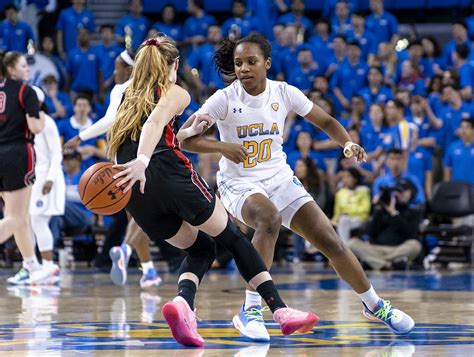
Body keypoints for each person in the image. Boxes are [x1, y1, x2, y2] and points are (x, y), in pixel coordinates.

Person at [179, 33, 415, 341]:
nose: (244, 69)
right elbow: (185, 137)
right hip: (238, 182)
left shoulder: (284, 92)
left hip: (279, 177)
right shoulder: (224, 98)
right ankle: (250, 310)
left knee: (332, 243)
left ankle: (374, 304)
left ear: (267, 63)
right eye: (238, 64)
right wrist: (222, 147)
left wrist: (347, 143)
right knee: (268, 219)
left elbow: (327, 122)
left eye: (251, 62)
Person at [107, 35, 318, 347]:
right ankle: (280, 310)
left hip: (137, 193)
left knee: (201, 248)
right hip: (166, 175)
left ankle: (183, 304)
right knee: (232, 238)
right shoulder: (174, 91)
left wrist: (187, 133)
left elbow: (143, 136)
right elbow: (154, 125)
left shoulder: (127, 100)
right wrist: (142, 160)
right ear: (175, 64)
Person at [65, 49, 165, 289]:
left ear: (130, 69)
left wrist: (81, 137)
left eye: (118, 66)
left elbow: (109, 121)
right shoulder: (153, 87)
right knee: (142, 217)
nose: (114, 71)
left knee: (136, 215)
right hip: (145, 155)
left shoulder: (123, 89)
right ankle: (126, 249)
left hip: (125, 155)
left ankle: (148, 269)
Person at [0, 51, 56, 285]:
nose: (27, 69)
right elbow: (35, 127)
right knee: (14, 217)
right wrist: (41, 114)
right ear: (11, 70)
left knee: (20, 217)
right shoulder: (27, 91)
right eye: (23, 65)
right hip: (16, 154)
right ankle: (32, 265)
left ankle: (32, 266)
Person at [26, 86, 64, 284]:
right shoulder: (28, 122)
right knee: (29, 223)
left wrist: (50, 178)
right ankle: (33, 267)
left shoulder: (47, 122)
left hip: (47, 178)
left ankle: (49, 265)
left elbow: (57, 153)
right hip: (32, 178)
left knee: (38, 222)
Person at [348, 178, 423, 270]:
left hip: (398, 249)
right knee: (351, 243)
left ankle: (378, 262)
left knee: (416, 245)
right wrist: (376, 209)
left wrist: (394, 214)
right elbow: (370, 232)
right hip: (377, 249)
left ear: (412, 192)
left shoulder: (414, 212)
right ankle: (390, 264)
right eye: (399, 191)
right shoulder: (382, 211)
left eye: (405, 191)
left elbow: (410, 233)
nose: (402, 194)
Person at [332, 168, 371, 242]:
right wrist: (333, 221)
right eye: (343, 177)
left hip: (359, 219)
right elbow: (337, 213)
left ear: (355, 178)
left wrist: (348, 212)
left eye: (348, 176)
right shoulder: (340, 193)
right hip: (342, 220)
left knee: (344, 220)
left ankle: (344, 248)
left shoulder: (363, 191)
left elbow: (366, 209)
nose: (345, 179)